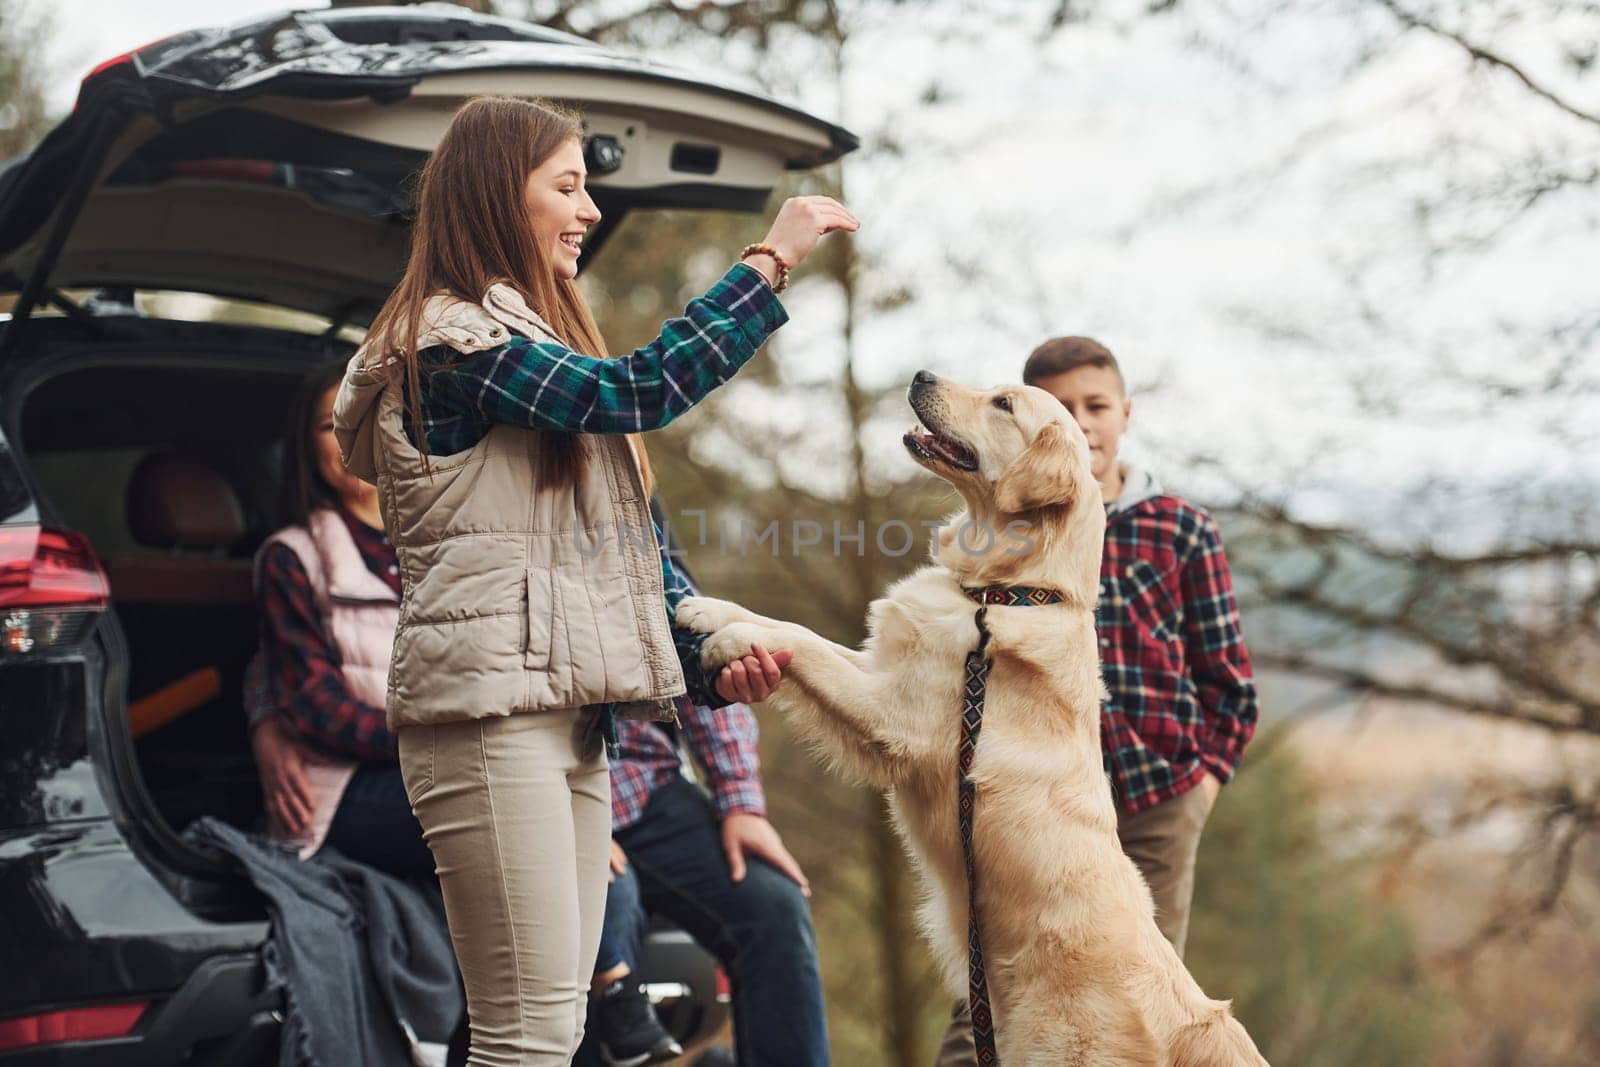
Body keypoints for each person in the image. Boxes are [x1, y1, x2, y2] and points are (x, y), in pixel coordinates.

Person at [332, 96, 857, 1066]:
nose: (588, 212)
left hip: (567, 724)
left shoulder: (520, 356)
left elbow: (614, 568)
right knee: (526, 1037)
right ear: (499, 193)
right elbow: (640, 391)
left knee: (556, 1029)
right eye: (567, 186)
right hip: (490, 725)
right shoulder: (450, 348)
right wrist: (769, 260)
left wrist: (703, 665)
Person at [934, 336, 1259, 1065]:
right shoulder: (1005, 527)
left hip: (1153, 803)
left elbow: (1229, 686)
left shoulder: (1179, 527)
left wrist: (1199, 789)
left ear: (1125, 413)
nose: (1082, 421)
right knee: (995, 992)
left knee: (1133, 998)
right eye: (1065, 407)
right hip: (1037, 808)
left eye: (1097, 405)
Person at [247, 361, 434, 881]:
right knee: (496, 817)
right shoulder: (291, 557)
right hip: (350, 783)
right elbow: (314, 707)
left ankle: (604, 967)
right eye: (332, 426)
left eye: (372, 416)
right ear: (308, 447)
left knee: (595, 865)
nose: (354, 437)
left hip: (455, 767)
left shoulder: (454, 537)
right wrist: (439, 742)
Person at [582, 684, 826, 1067]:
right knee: (609, 907)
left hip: (643, 784)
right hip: (553, 796)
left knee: (775, 903)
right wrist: (571, 820)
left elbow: (698, 668)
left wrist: (740, 799)